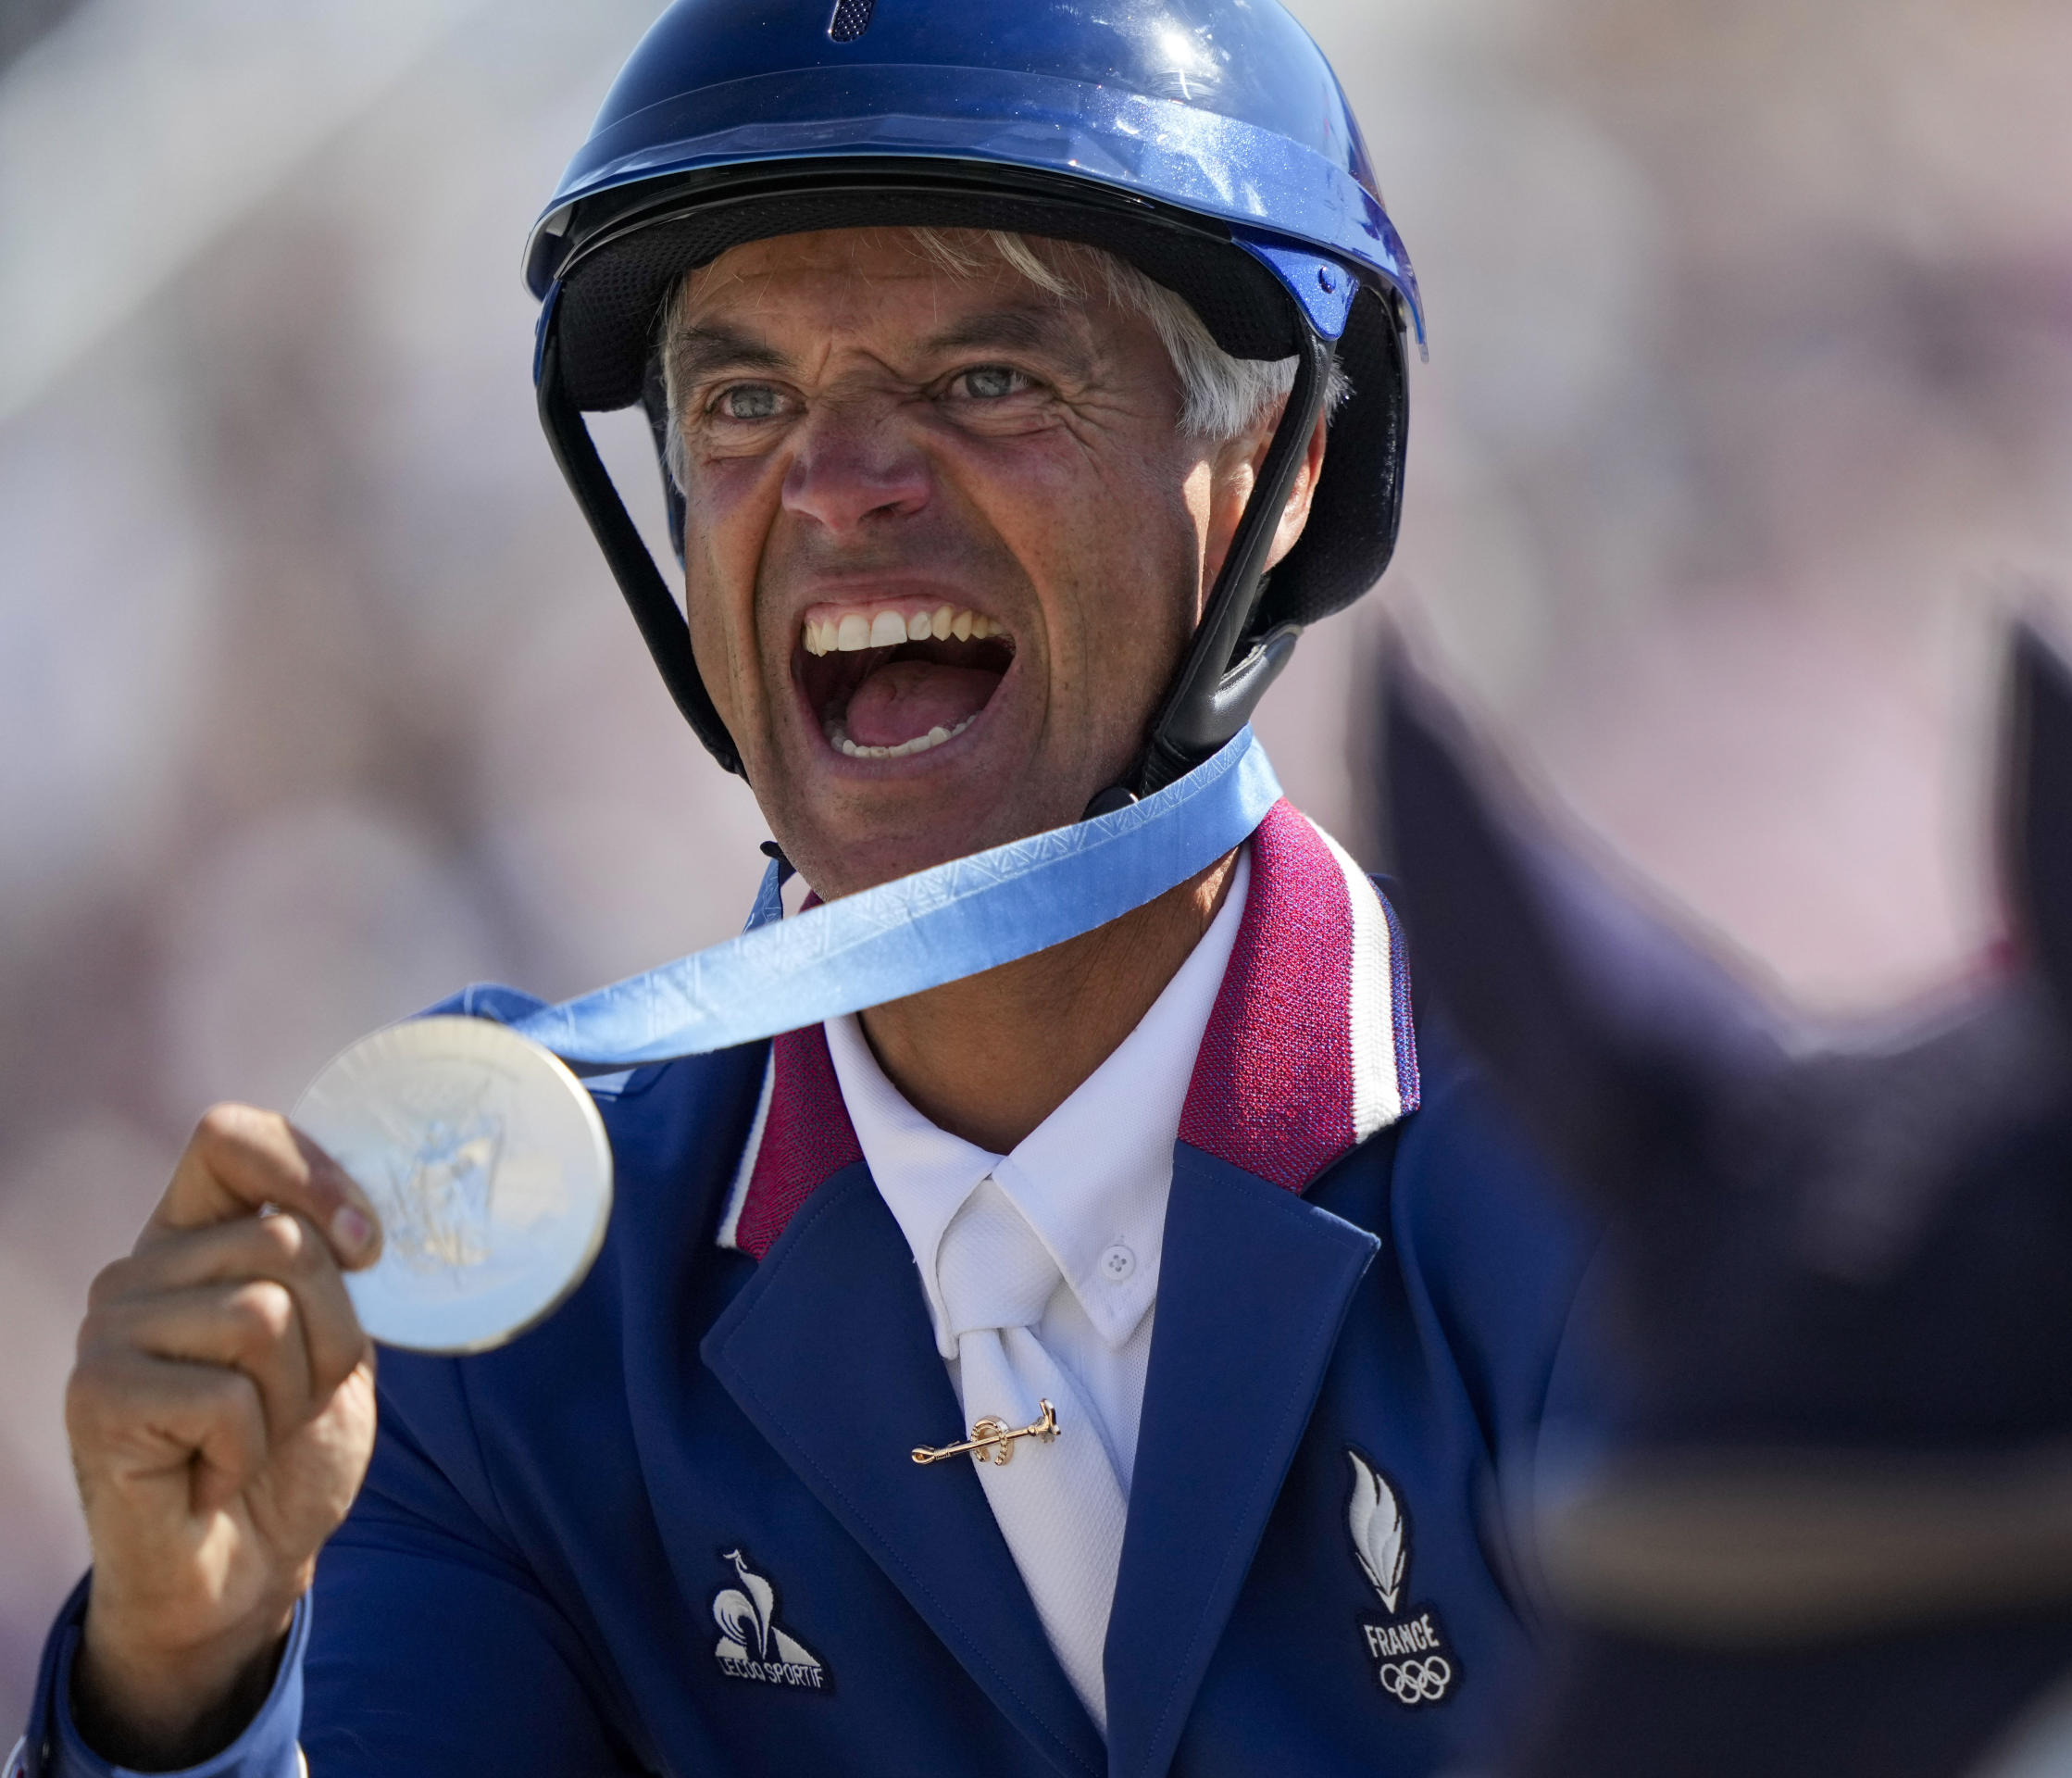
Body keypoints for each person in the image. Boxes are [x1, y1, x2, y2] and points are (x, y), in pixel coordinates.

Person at [16, 4, 1592, 1773]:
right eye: (742, 400)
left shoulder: (1603, 1219)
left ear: (1286, 471)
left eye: (989, 379)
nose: (840, 486)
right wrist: (181, 1694)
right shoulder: (499, 1306)